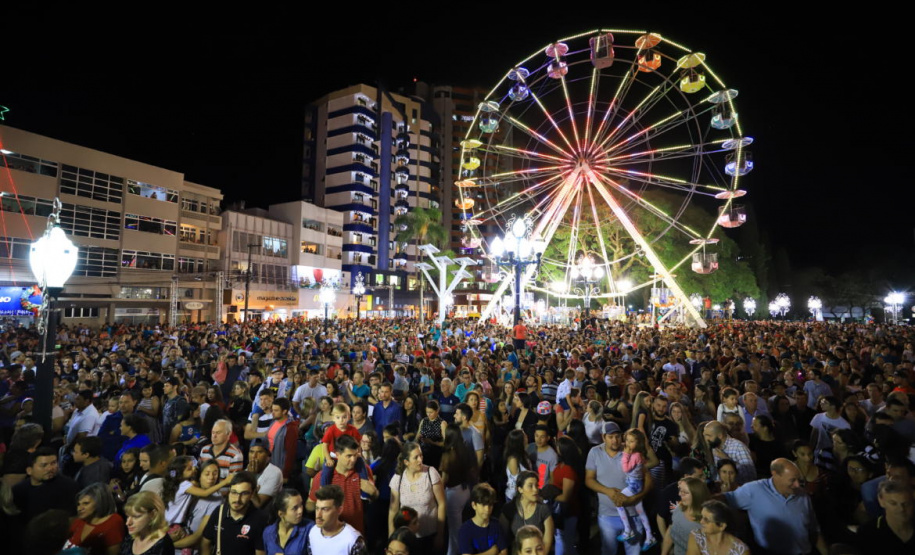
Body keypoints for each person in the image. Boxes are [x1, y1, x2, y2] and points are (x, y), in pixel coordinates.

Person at [723, 458, 828, 555]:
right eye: (792, 480)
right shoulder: (753, 490)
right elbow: (723, 500)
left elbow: (814, 530)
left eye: (798, 480)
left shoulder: (803, 496)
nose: (797, 485)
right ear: (775, 474)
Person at [585, 422, 654, 555]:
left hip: (633, 514)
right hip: (607, 516)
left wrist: (636, 497)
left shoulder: (631, 450)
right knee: (608, 551)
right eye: (611, 437)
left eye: (617, 436)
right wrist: (608, 491)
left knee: (634, 552)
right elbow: (589, 479)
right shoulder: (595, 452)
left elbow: (648, 479)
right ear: (603, 437)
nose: (615, 440)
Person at [307, 434, 377, 536]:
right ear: (338, 455)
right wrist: (320, 507)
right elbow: (310, 504)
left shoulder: (364, 472)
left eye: (355, 455)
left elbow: (373, 497)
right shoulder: (322, 477)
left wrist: (374, 492)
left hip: (357, 533)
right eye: (348, 456)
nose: (353, 460)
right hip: (331, 535)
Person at [388, 441, 447, 551]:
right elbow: (393, 510)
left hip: (430, 535)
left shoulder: (431, 473)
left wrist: (440, 534)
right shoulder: (398, 478)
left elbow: (442, 504)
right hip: (407, 537)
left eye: (421, 455)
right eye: (416, 457)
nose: (420, 460)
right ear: (406, 462)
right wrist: (392, 537)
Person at [201, 472, 268, 555]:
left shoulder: (260, 519)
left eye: (244, 493)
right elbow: (205, 543)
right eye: (234, 492)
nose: (237, 499)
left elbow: (260, 553)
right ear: (229, 491)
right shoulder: (219, 512)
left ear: (252, 494)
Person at [615, 430, 658, 550]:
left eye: (631, 441)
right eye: (627, 440)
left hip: (634, 485)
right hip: (636, 484)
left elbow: (626, 469)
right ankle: (650, 537)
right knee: (641, 512)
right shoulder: (638, 454)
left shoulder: (636, 455)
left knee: (618, 502)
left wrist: (625, 454)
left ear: (638, 443)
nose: (628, 444)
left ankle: (628, 530)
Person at [12, 446, 79, 522]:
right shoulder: (18, 490)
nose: (50, 468)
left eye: (53, 463)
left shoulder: (68, 487)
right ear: (29, 470)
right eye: (44, 465)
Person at [499, 470, 554, 553]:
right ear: (520, 489)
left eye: (536, 485)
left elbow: (547, 542)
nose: (535, 490)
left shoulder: (543, 509)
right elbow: (502, 539)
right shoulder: (509, 509)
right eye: (530, 486)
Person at [855, 479, 915, 554]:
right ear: (881, 501)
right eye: (893, 503)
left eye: (906, 503)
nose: (901, 509)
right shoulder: (867, 533)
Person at [67, 483, 125, 555]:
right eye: (79, 504)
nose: (79, 508)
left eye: (86, 503)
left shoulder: (113, 521)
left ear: (99, 503)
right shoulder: (79, 521)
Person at [308, 484, 368, 555]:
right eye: (317, 508)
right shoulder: (313, 532)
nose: (318, 515)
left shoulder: (353, 540)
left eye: (325, 509)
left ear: (339, 510)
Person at [660, 477, 711, 555]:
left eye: (685, 492)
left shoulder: (705, 524)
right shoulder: (679, 509)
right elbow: (671, 530)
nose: (680, 494)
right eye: (680, 490)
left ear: (697, 496)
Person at [458, 483, 508, 555]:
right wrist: (491, 552)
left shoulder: (496, 525)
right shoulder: (465, 530)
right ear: (474, 505)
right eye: (483, 505)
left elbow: (504, 552)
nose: (487, 509)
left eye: (490, 505)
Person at [263, 488, 314, 555]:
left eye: (301, 505)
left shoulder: (310, 529)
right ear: (281, 514)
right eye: (295, 508)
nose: (300, 511)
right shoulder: (268, 532)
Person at [247, 437, 284, 508]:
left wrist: (251, 476)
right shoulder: (246, 470)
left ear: (268, 456)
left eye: (260, 452)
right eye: (251, 452)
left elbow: (258, 504)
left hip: (266, 514)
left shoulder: (274, 472)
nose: (254, 456)